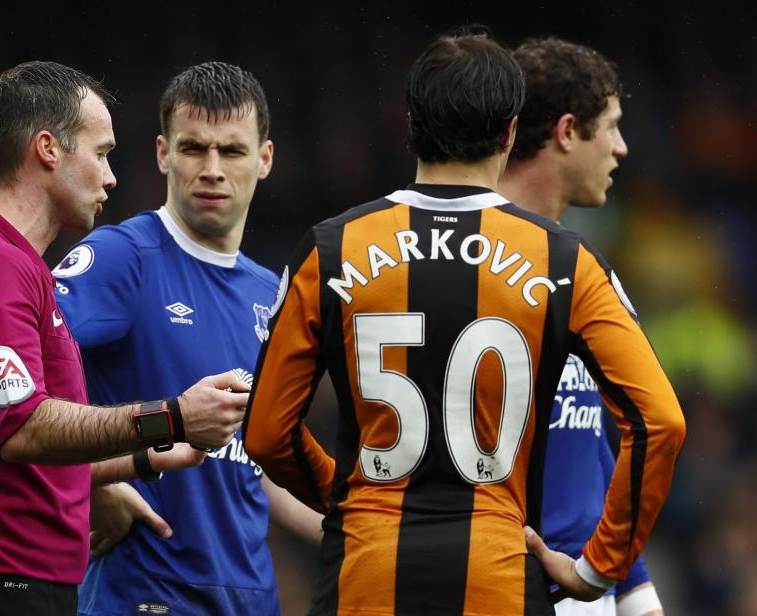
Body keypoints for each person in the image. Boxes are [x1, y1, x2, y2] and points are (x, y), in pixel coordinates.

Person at [244, 28, 686, 616]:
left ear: (408, 126)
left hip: (366, 577)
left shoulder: (332, 248)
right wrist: (600, 568)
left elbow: (267, 433)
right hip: (497, 578)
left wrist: (346, 497)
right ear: (509, 132)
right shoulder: (563, 261)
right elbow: (660, 421)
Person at [0, 60, 250, 616]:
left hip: (14, 584)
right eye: (101, 153)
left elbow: (17, 456)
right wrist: (174, 416)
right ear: (48, 149)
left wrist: (150, 457)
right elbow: (23, 430)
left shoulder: (18, 267)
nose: (111, 177)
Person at [53, 61, 323, 616]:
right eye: (194, 148)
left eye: (232, 151)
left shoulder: (270, 293)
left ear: (265, 159)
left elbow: (256, 462)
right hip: (143, 593)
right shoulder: (121, 259)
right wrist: (91, 481)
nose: (212, 169)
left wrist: (359, 532)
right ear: (162, 154)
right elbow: (16, 390)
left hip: (250, 598)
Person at [499, 37, 663, 616]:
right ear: (567, 132)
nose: (621, 148)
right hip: (507, 590)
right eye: (611, 127)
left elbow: (591, 436)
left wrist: (634, 588)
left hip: (585, 590)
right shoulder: (465, 268)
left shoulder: (586, 272)